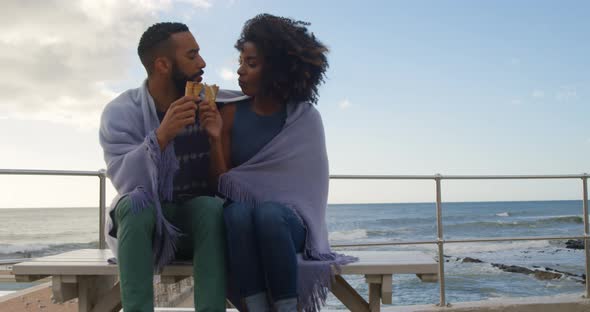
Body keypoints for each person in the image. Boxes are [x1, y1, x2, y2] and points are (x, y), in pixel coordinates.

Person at [202, 14, 357, 312]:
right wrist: (213, 137)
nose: (240, 71)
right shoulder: (230, 113)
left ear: (274, 69)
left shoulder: (304, 117)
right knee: (235, 215)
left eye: (251, 63)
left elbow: (310, 189)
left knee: (270, 215)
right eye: (240, 62)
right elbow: (219, 183)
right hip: (243, 223)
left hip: (290, 226)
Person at [99, 22, 245, 312]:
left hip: (199, 229)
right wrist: (161, 137)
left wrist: (215, 137)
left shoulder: (213, 105)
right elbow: (126, 183)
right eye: (192, 56)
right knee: (132, 206)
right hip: (148, 232)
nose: (202, 63)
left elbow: (263, 100)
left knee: (210, 207)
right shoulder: (120, 112)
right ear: (163, 64)